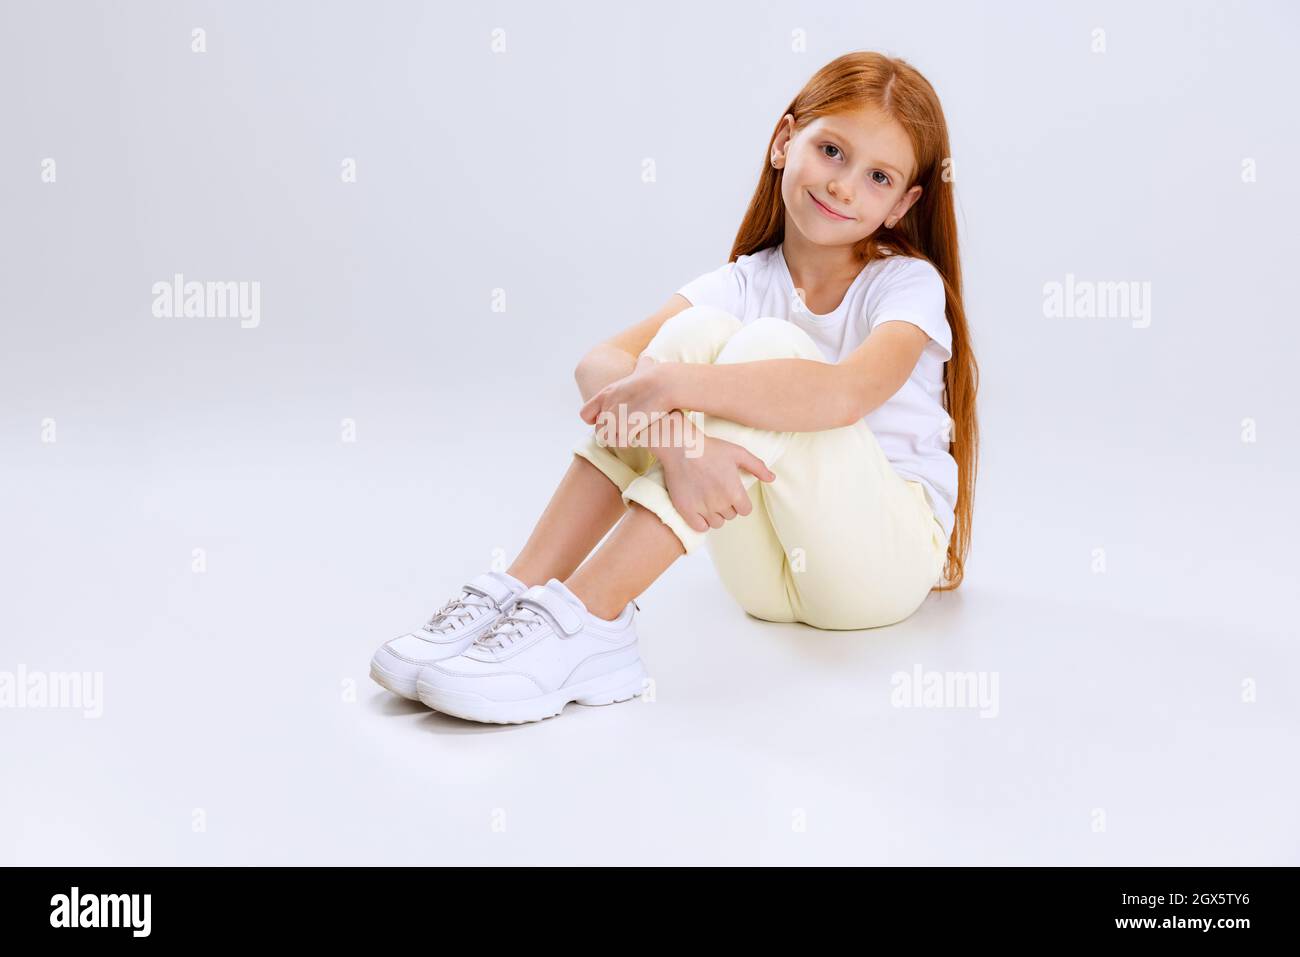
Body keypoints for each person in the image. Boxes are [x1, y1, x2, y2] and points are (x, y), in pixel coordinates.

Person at [370, 50, 979, 725]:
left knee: (761, 352)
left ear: (903, 204)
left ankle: (589, 620)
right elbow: (597, 366)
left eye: (878, 177)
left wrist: (673, 388)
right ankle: (523, 586)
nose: (843, 187)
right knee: (697, 334)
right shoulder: (747, 280)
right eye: (831, 150)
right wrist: (681, 446)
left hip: (877, 572)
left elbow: (842, 395)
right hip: (766, 581)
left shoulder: (906, 285)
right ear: (784, 142)